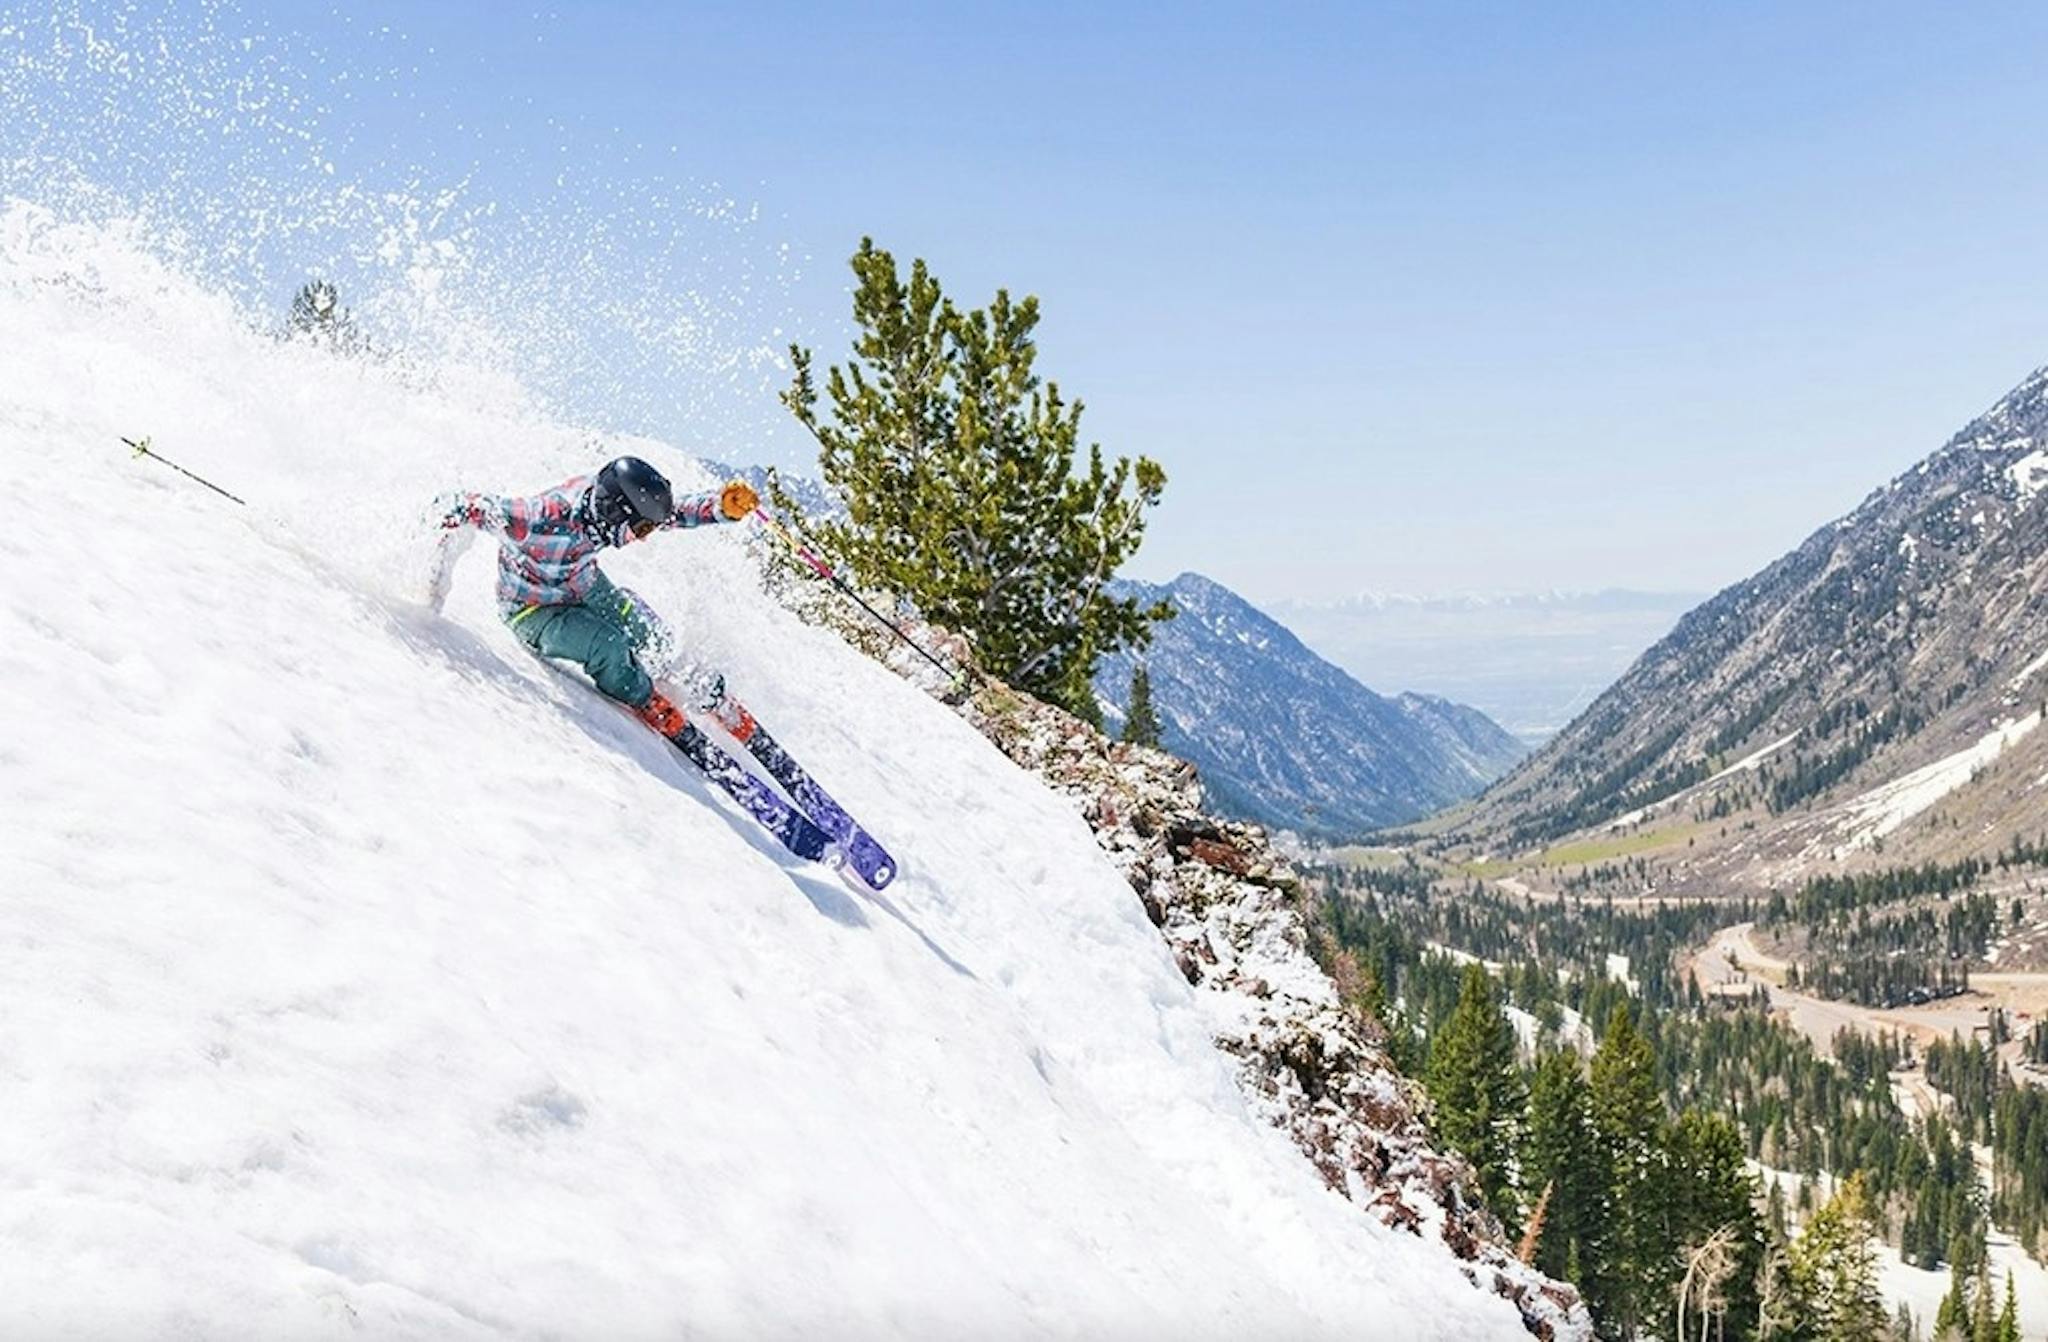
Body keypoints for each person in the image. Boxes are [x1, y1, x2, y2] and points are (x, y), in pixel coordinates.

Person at [430, 455, 759, 735]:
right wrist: (432, 571)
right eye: (642, 529)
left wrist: (719, 508)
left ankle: (704, 691)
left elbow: (666, 515)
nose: (644, 538)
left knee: (646, 634)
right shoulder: (536, 519)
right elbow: (464, 505)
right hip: (532, 610)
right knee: (609, 644)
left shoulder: (607, 510)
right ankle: (642, 696)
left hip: (583, 584)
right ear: (614, 513)